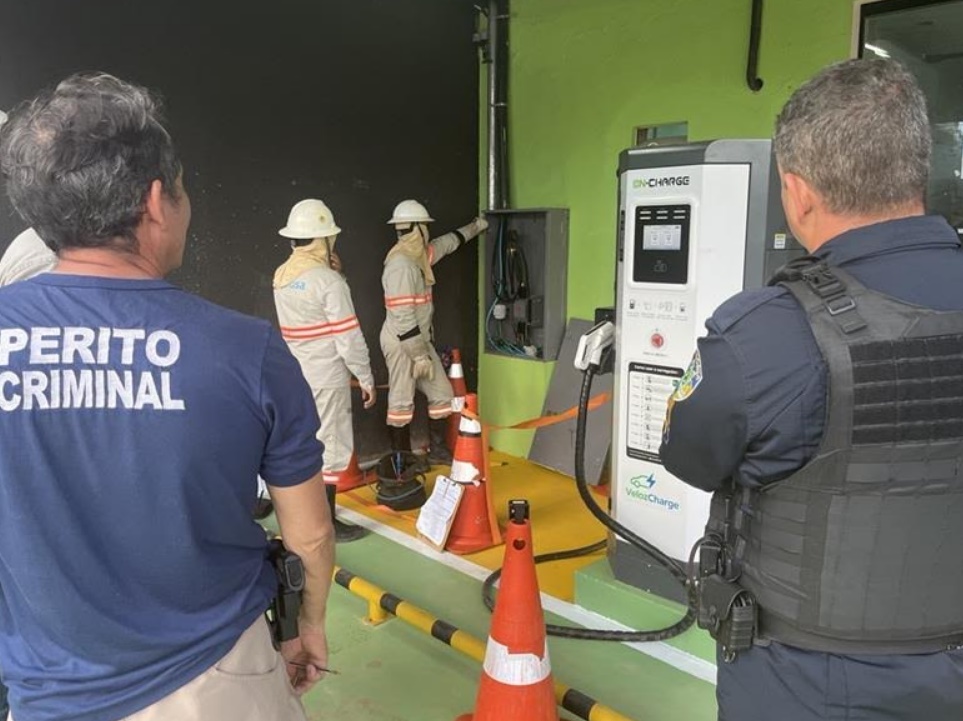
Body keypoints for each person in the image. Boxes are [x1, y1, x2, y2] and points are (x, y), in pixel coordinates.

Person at [0, 73, 334, 721]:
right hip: (215, 679)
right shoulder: (244, 349)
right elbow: (311, 534)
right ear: (157, 201)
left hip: (49, 691)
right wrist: (307, 625)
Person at [660, 58, 963, 721]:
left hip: (811, 684)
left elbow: (688, 456)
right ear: (916, 170)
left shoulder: (764, 335)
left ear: (796, 192)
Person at [273, 198, 376, 543]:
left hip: (295, 375)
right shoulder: (329, 283)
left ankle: (303, 515)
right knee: (331, 446)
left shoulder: (283, 275)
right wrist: (365, 376)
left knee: (303, 442)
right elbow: (348, 337)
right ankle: (327, 522)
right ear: (324, 239)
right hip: (327, 377)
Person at [381, 199, 486, 466]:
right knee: (401, 402)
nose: (427, 232)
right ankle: (401, 460)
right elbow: (403, 318)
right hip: (403, 342)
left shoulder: (419, 258)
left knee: (442, 396)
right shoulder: (401, 265)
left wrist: (476, 227)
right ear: (417, 228)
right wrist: (418, 356)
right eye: (424, 227)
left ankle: (436, 451)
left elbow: (447, 244)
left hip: (419, 340)